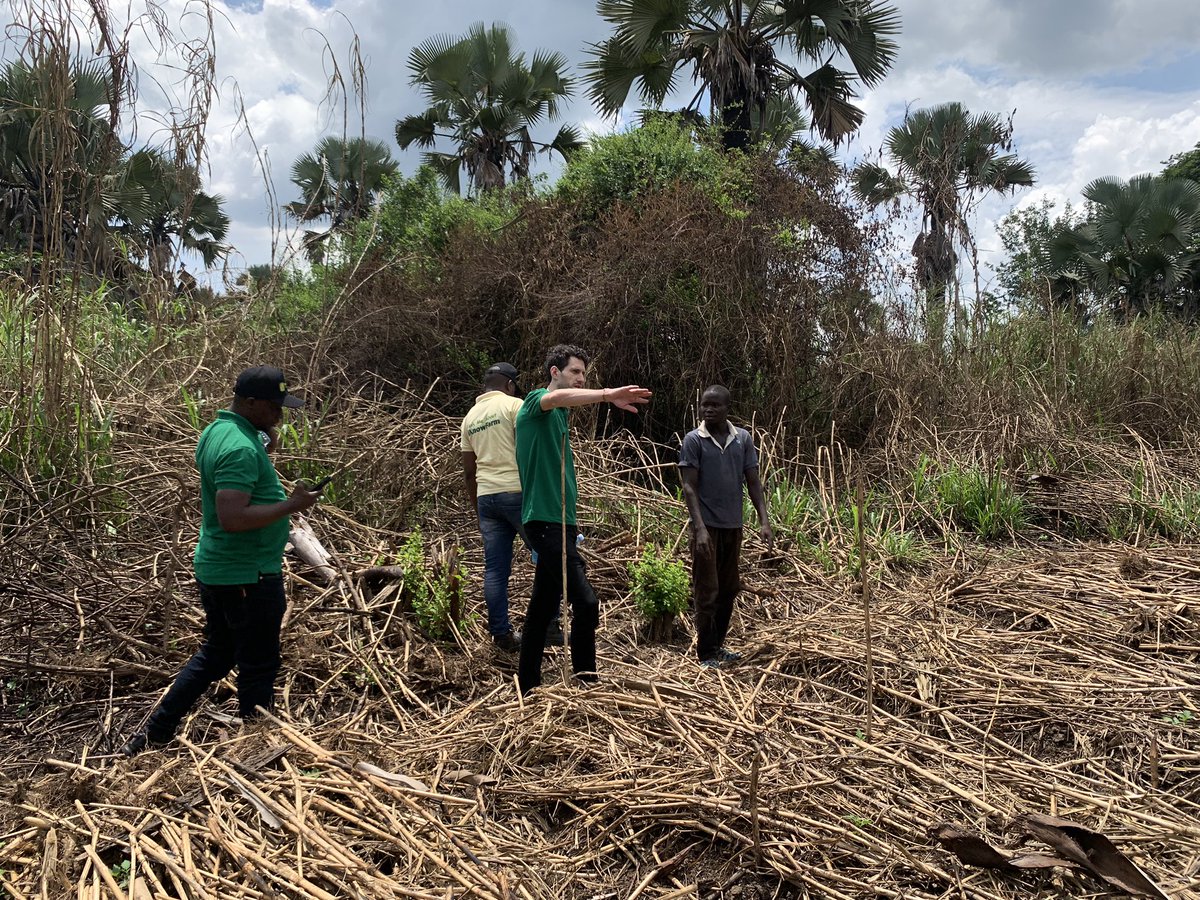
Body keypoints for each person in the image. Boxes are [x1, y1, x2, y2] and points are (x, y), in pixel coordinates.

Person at [121, 366, 321, 755]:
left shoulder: (220, 431)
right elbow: (232, 518)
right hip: (247, 574)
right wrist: (292, 505)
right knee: (259, 662)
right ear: (249, 403)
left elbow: (238, 467)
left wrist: (266, 439)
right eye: (274, 406)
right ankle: (256, 746)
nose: (281, 413)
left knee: (219, 652)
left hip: (221, 568)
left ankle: (154, 734)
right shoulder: (241, 448)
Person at [515, 344, 651, 695]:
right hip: (543, 522)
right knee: (587, 602)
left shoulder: (560, 417)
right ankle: (586, 682)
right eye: (575, 372)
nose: (580, 378)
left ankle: (527, 684)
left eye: (584, 375)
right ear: (554, 372)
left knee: (542, 607)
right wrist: (607, 395)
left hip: (561, 523)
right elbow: (558, 399)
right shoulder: (534, 403)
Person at [460, 362, 563, 652]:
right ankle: (549, 625)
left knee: (495, 570)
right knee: (550, 557)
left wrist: (478, 508)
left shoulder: (470, 417)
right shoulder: (514, 407)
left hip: (487, 499)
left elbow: (469, 471)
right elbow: (532, 447)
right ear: (509, 384)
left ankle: (502, 635)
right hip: (519, 494)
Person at [678, 384, 772, 669]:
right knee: (707, 590)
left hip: (733, 526)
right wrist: (700, 528)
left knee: (729, 588)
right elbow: (688, 487)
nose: (708, 409)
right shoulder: (694, 440)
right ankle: (705, 653)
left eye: (714, 405)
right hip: (706, 528)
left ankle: (718, 646)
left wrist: (764, 521)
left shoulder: (742, 439)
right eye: (704, 405)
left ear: (727, 408)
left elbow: (753, 482)